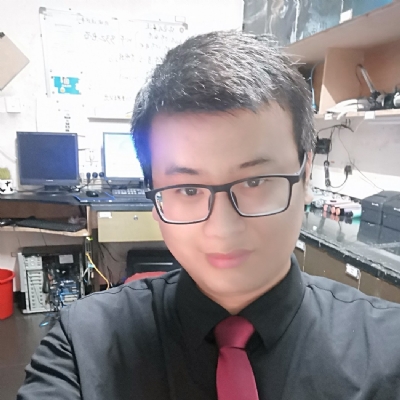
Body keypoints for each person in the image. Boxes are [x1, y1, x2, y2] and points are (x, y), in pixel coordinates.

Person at [18, 31, 400, 400]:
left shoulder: (389, 350)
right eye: (188, 189)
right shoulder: (82, 346)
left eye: (255, 181)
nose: (222, 229)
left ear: (305, 175)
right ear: (154, 198)